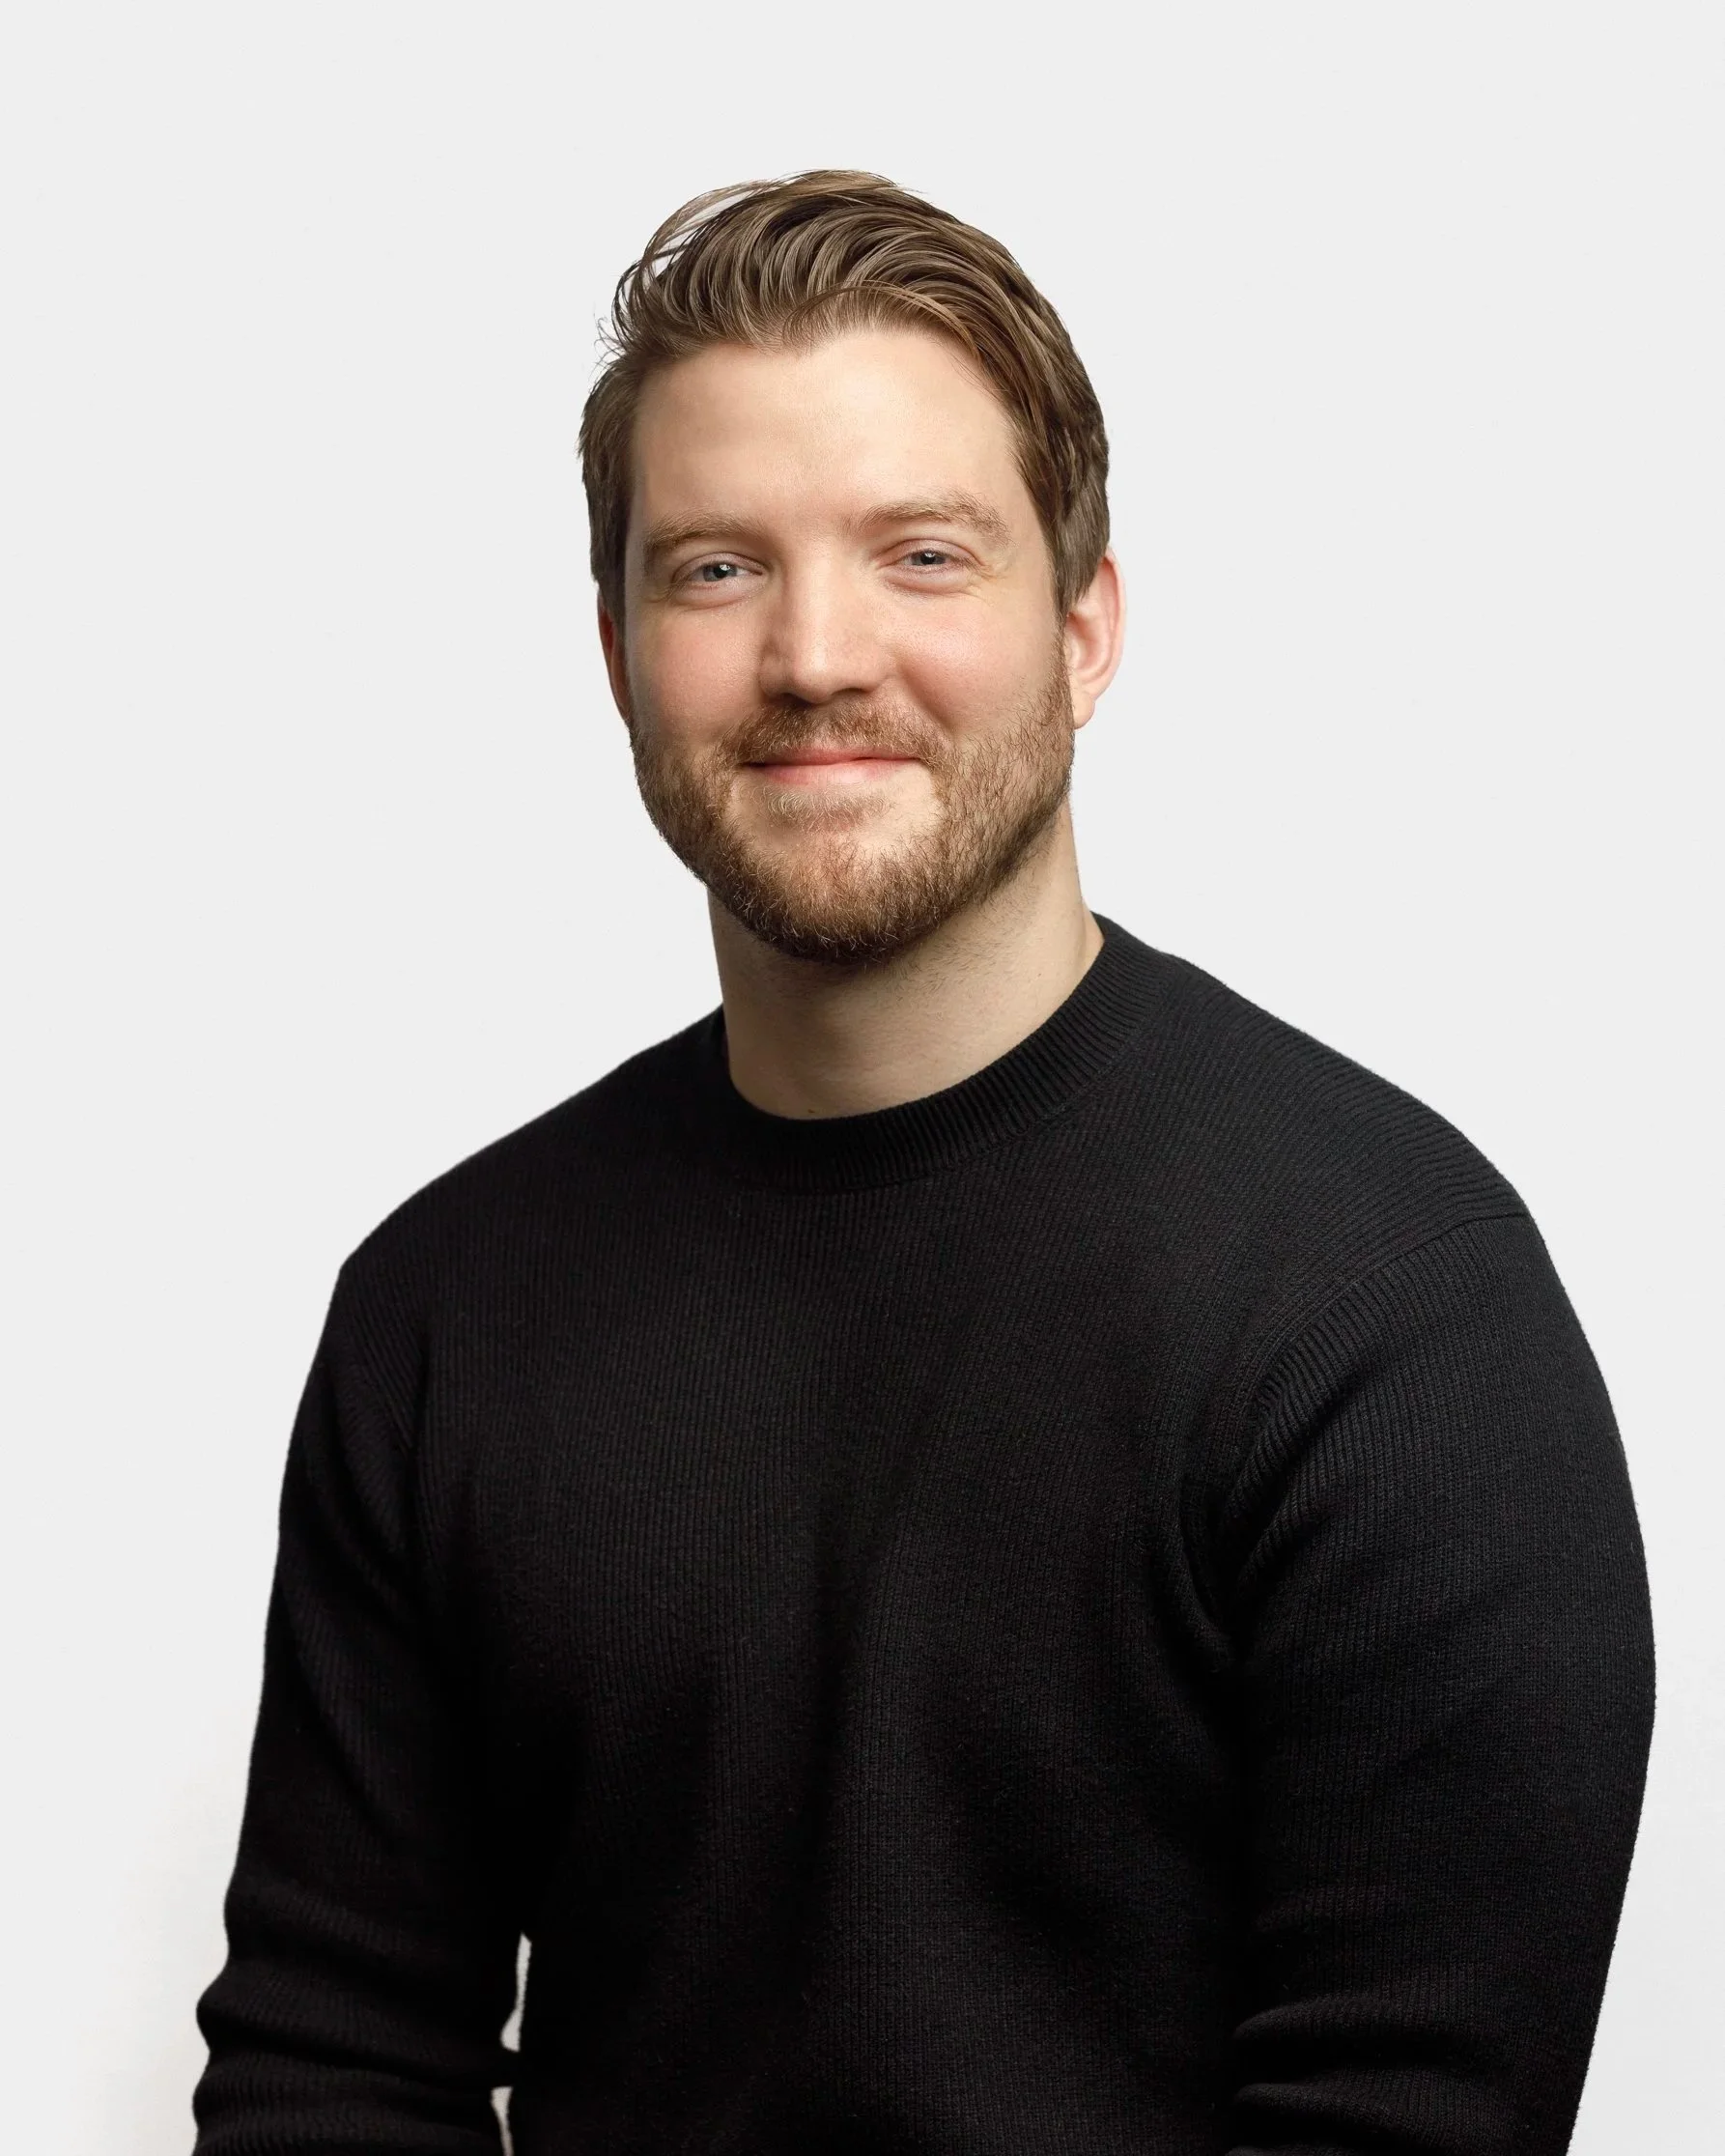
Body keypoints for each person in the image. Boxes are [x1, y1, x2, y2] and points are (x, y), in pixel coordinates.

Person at [192, 172, 1654, 2156]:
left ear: (1082, 626)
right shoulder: (444, 1308)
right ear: (616, 650)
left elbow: (1401, 2124)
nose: (813, 654)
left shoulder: (1385, 1299)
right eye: (714, 568)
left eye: (918, 555)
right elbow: (333, 2066)